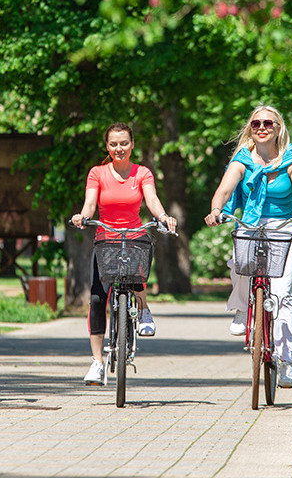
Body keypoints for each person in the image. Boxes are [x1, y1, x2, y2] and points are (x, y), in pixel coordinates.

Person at [204, 105, 292, 388]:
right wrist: (216, 210)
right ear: (250, 128)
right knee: (239, 265)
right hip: (251, 224)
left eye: (268, 123)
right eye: (256, 123)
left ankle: (286, 363)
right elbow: (223, 191)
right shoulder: (242, 160)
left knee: (283, 296)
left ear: (278, 128)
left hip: (284, 227)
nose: (261, 127)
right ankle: (245, 310)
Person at [71, 122, 177, 385]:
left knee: (137, 269)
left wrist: (162, 216)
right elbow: (90, 204)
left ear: (132, 145)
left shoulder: (142, 173)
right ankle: (97, 362)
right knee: (97, 299)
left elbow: (151, 200)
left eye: (124, 143)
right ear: (107, 146)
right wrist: (82, 216)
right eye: (114, 144)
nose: (119, 148)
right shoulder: (97, 173)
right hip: (105, 239)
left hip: (133, 236)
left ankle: (143, 309)